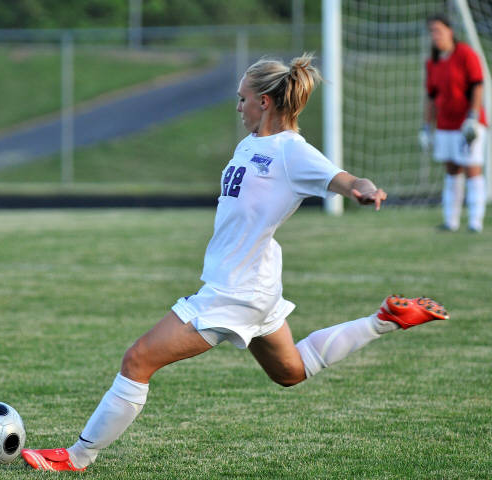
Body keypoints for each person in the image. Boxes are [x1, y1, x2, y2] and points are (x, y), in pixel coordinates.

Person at [22, 54, 449, 472]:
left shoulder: (291, 151)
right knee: (291, 371)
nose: (238, 106)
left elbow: (345, 178)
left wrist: (363, 190)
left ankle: (78, 456)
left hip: (235, 291)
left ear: (264, 101)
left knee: (138, 360)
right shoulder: (251, 144)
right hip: (255, 283)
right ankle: (386, 320)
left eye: (242, 98)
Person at [419, 13, 487, 232]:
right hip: (445, 125)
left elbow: (477, 85)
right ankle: (451, 221)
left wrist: (472, 117)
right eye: (432, 31)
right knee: (451, 170)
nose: (435, 35)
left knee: (472, 169)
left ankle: (475, 221)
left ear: (450, 31)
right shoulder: (432, 62)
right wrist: (426, 127)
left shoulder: (466, 54)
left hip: (467, 124)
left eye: (438, 30)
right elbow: (431, 97)